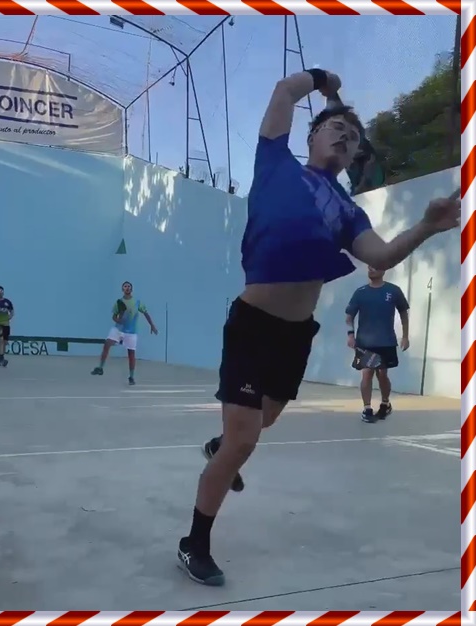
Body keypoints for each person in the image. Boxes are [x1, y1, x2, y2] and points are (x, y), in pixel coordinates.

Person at [177, 68, 461, 587]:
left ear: (353, 159)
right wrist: (325, 81)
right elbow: (284, 90)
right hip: (252, 325)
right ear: (311, 136)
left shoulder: (347, 211)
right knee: (244, 440)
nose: (344, 137)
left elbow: (382, 255)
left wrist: (427, 225)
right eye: (335, 128)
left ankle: (221, 447)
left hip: (295, 336)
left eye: (352, 138)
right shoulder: (274, 161)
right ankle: (194, 542)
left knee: (263, 421)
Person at [345, 267, 410, 423]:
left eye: (375, 267)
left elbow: (403, 313)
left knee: (382, 374)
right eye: (369, 267)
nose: (371, 269)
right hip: (365, 342)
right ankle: (367, 408)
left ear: (383, 270)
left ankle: (385, 403)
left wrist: (405, 336)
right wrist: (350, 335)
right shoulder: (360, 292)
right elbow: (349, 316)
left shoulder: (393, 291)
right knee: (367, 373)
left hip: (386, 341)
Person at [91, 281, 158, 385]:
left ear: (131, 289)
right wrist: (118, 320)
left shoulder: (137, 302)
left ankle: (131, 377)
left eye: (129, 286)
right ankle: (100, 368)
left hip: (131, 332)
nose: (127, 288)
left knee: (131, 354)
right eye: (125, 286)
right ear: (122, 289)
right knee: (107, 343)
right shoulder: (119, 302)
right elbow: (114, 316)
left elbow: (146, 313)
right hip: (118, 330)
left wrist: (152, 325)